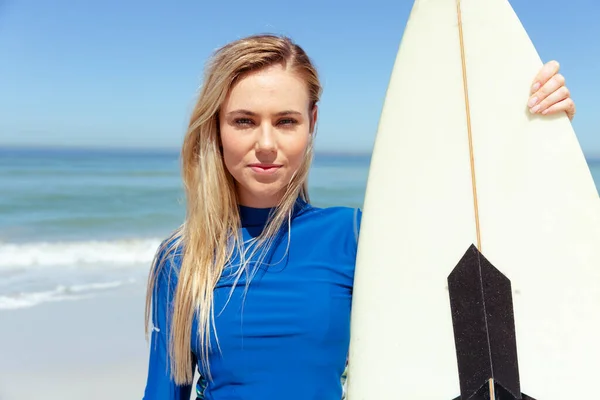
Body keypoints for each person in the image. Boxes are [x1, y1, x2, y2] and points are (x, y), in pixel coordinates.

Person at [142, 34, 577, 400]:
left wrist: (542, 136)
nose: (267, 143)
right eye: (244, 121)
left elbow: (495, 247)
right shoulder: (183, 257)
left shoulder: (355, 237)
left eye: (286, 121)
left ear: (311, 123)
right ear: (216, 128)